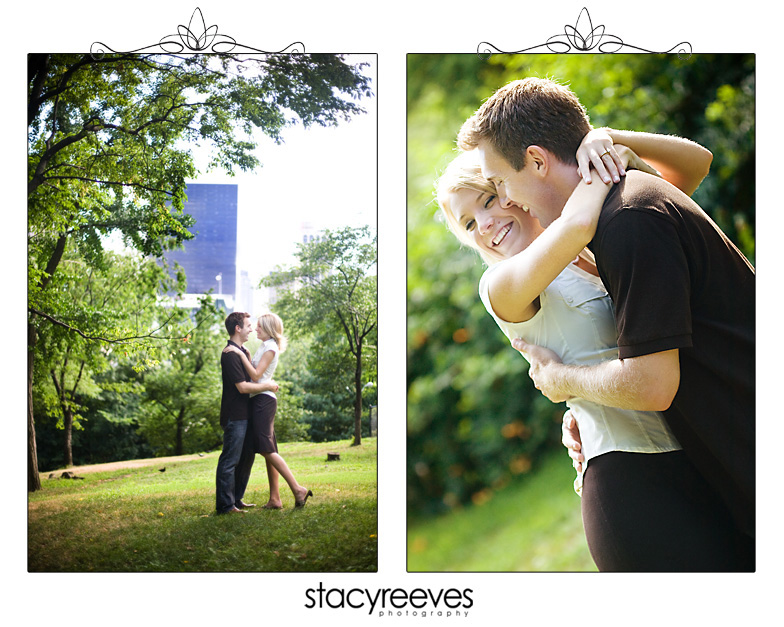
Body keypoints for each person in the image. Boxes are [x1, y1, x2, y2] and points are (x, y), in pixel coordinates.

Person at [457, 77, 754, 569]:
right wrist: (573, 397)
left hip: (712, 453)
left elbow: (695, 164)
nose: (495, 209)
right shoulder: (524, 271)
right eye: (467, 222)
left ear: (535, 160)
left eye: (496, 190)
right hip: (643, 479)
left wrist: (609, 139)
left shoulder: (619, 223)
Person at [224, 313, 313, 509]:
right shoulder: (264, 346)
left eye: (259, 327)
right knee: (269, 448)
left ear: (269, 329)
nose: (256, 329)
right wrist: (245, 353)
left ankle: (298, 489)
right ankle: (275, 499)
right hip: (259, 399)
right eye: (254, 326)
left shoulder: (271, 347)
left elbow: (255, 375)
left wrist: (239, 354)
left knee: (265, 448)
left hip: (263, 400)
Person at [216, 311, 279, 515]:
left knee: (246, 458)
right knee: (230, 460)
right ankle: (225, 506)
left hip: (246, 413)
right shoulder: (230, 353)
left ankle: (236, 499)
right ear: (238, 328)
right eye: (248, 325)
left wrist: (248, 356)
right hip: (235, 415)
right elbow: (243, 387)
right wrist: (267, 386)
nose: (252, 329)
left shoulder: (242, 351)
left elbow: (252, 375)